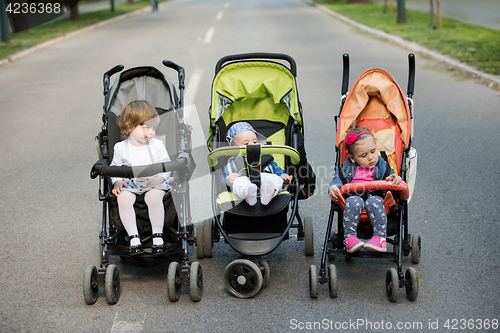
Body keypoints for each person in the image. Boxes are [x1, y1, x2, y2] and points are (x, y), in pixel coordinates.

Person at [111, 100, 171, 255]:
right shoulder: (120, 148)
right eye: (147, 128)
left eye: (153, 128)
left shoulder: (156, 145)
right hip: (131, 184)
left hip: (153, 183)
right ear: (130, 126)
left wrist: (160, 178)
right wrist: (117, 181)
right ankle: (133, 237)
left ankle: (157, 235)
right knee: (122, 198)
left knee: (153, 197)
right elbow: (115, 168)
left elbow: (167, 165)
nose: (151, 132)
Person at [328, 126, 401, 253]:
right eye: (363, 155)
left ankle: (379, 238)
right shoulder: (348, 167)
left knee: (374, 202)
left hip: (376, 198)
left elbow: (392, 182)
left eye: (373, 151)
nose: (371, 158)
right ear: (352, 158)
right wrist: (333, 187)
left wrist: (394, 179)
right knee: (353, 201)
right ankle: (350, 238)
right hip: (354, 200)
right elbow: (338, 179)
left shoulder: (381, 165)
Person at [222, 122, 293, 206]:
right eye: (246, 144)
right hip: (245, 181)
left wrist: (282, 175)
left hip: (265, 178)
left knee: (276, 179)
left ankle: (269, 192)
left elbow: (276, 169)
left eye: (255, 142)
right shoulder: (232, 162)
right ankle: (247, 192)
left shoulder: (265, 157)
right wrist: (227, 179)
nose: (252, 145)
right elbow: (223, 178)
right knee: (238, 182)